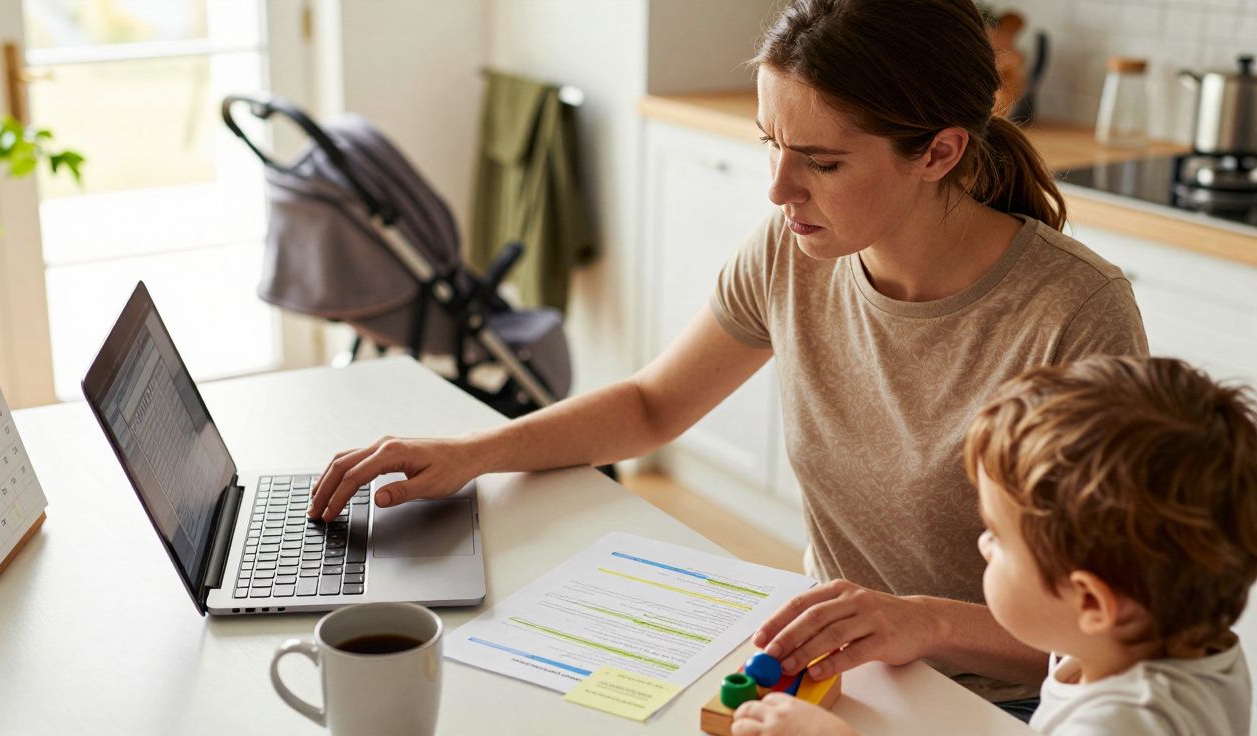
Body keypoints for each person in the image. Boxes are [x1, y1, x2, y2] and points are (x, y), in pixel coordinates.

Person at [308, 0, 1148, 718]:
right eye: (770, 144)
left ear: (939, 153)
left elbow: (1118, 631)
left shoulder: (1072, 314)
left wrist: (919, 621)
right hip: (836, 675)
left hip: (1005, 706)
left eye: (820, 161)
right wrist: (474, 453)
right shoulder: (795, 252)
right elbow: (649, 406)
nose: (779, 190)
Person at [731, 355, 1257, 735]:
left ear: (1092, 602)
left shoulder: (1124, 722)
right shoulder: (1163, 645)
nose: (983, 546)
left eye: (999, 538)